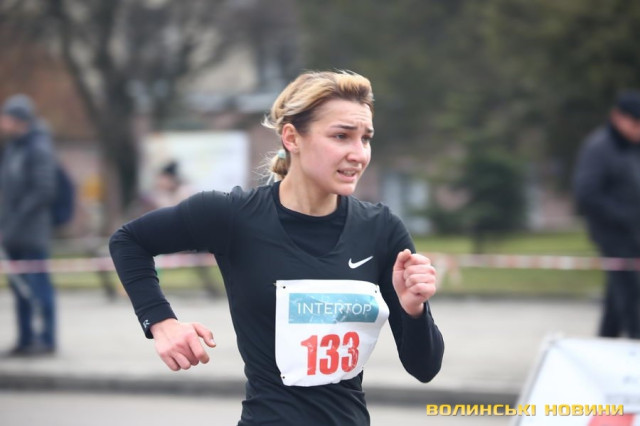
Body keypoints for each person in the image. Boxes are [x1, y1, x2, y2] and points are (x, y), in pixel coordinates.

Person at [109, 70, 444, 425]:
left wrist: (414, 311)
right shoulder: (232, 215)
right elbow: (128, 241)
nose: (358, 154)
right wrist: (161, 322)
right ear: (292, 137)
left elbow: (424, 369)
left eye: (365, 139)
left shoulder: (381, 229)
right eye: (341, 136)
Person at [574, 90, 640, 339]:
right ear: (617, 117)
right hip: (613, 235)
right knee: (632, 297)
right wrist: (625, 216)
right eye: (635, 123)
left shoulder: (632, 148)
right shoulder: (599, 148)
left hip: (634, 234)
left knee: (617, 298)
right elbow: (587, 194)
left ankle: (605, 343)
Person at [0, 94, 57, 356]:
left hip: (31, 233)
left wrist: (16, 219)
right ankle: (25, 338)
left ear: (18, 120)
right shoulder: (13, 148)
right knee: (19, 289)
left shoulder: (38, 148)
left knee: (38, 286)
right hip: (13, 232)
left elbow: (44, 190)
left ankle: (46, 339)